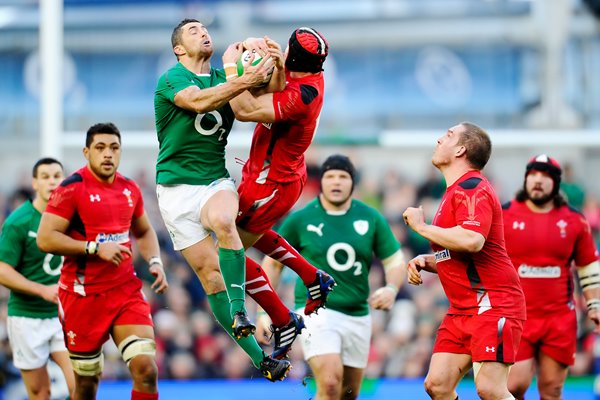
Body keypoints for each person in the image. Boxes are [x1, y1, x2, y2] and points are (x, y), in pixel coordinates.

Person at [153, 18, 291, 381]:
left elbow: (263, 101)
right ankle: (262, 360)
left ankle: (239, 309)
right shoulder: (173, 79)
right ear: (179, 48)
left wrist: (275, 66)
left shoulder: (224, 76)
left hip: (214, 179)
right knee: (210, 277)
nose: (203, 33)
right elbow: (197, 103)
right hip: (174, 191)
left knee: (224, 221)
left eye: (205, 29)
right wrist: (245, 80)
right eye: (193, 31)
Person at [224, 27, 336, 360]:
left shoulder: (304, 96)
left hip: (270, 184)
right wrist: (266, 57)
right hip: (270, 175)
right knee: (242, 236)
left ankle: (283, 318)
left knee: (225, 254)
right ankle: (310, 275)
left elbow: (244, 109)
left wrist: (233, 65)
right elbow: (277, 80)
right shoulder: (303, 76)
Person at [37, 122, 169, 400]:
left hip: (125, 292)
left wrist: (155, 260)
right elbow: (46, 238)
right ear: (87, 152)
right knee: (86, 386)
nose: (108, 154)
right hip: (82, 297)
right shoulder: (71, 188)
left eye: (114, 148)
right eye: (100, 148)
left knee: (147, 370)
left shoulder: (129, 188)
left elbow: (143, 230)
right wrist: (94, 248)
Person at [260, 154, 406, 399]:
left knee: (348, 393)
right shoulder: (301, 219)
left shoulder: (370, 217)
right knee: (329, 383)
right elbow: (272, 265)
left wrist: (391, 288)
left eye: (343, 177)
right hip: (316, 312)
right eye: (330, 176)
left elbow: (395, 262)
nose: (336, 182)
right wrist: (265, 312)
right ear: (322, 181)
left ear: (352, 182)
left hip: (358, 314)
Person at [402, 122, 526, 400]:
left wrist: (421, 228)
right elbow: (462, 253)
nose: (438, 139)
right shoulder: (454, 191)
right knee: (437, 385)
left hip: (493, 303)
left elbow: (473, 240)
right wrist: (430, 260)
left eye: (447, 135)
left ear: (461, 149)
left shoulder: (472, 187)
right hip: (462, 309)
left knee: (490, 389)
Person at [502, 154, 600, 400]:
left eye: (545, 176)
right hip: (516, 315)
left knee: (552, 389)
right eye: (533, 174)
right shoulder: (504, 214)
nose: (538, 180)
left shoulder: (575, 220)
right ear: (525, 179)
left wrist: (595, 304)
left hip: (558, 318)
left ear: (556, 184)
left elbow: (588, 265)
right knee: (514, 386)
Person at [0, 157, 75, 399]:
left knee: (81, 383)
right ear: (35, 183)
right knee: (40, 392)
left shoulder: (74, 218)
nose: (52, 181)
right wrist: (41, 290)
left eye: (57, 176)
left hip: (65, 315)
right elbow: (2, 270)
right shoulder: (18, 222)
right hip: (27, 317)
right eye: (45, 176)